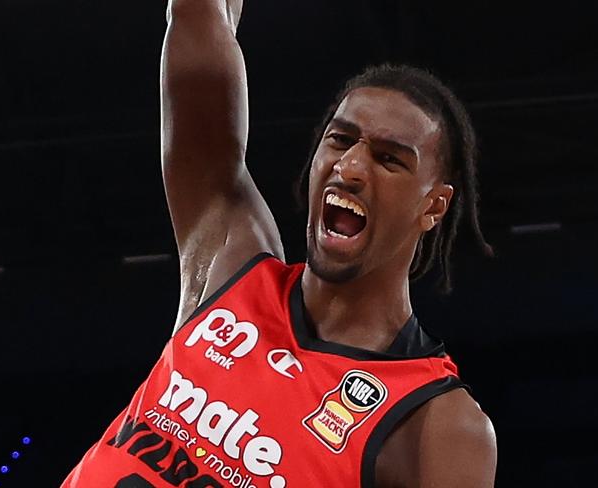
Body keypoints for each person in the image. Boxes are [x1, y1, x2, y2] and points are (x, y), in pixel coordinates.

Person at [63, 0, 497, 486]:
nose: (350, 168)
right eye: (339, 139)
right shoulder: (231, 263)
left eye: (389, 159)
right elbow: (194, 17)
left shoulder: (434, 420)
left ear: (433, 206)